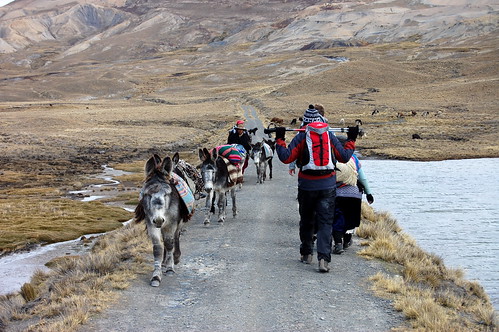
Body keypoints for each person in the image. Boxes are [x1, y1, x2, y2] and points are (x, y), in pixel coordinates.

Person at [274, 106, 359, 272]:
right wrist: (351, 139)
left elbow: (286, 157)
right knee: (326, 222)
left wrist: (280, 139)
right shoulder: (329, 135)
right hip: (328, 186)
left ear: (305, 121)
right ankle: (324, 260)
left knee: (307, 220)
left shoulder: (301, 136)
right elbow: (344, 156)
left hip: (306, 187)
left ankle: (307, 254)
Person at [332, 153, 374, 254]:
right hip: (355, 194)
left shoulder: (331, 156)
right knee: (351, 218)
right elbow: (363, 178)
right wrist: (369, 193)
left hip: (337, 194)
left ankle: (338, 243)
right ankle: (347, 240)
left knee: (338, 218)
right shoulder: (353, 157)